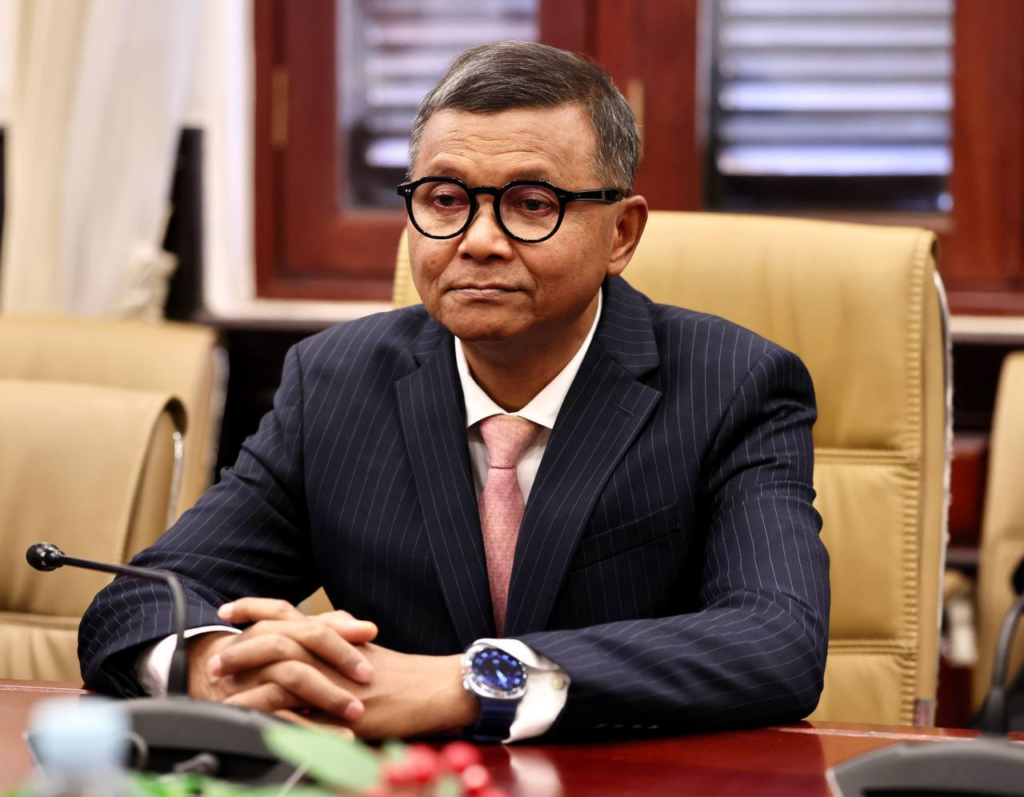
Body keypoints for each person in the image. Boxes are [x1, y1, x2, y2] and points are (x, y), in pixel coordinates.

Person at [80, 41, 829, 742]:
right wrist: (220, 667)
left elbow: (776, 640)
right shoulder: (334, 382)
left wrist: (471, 682)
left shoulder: (733, 383)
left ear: (622, 235)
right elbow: (144, 596)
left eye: (532, 203)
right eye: (444, 199)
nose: (478, 240)